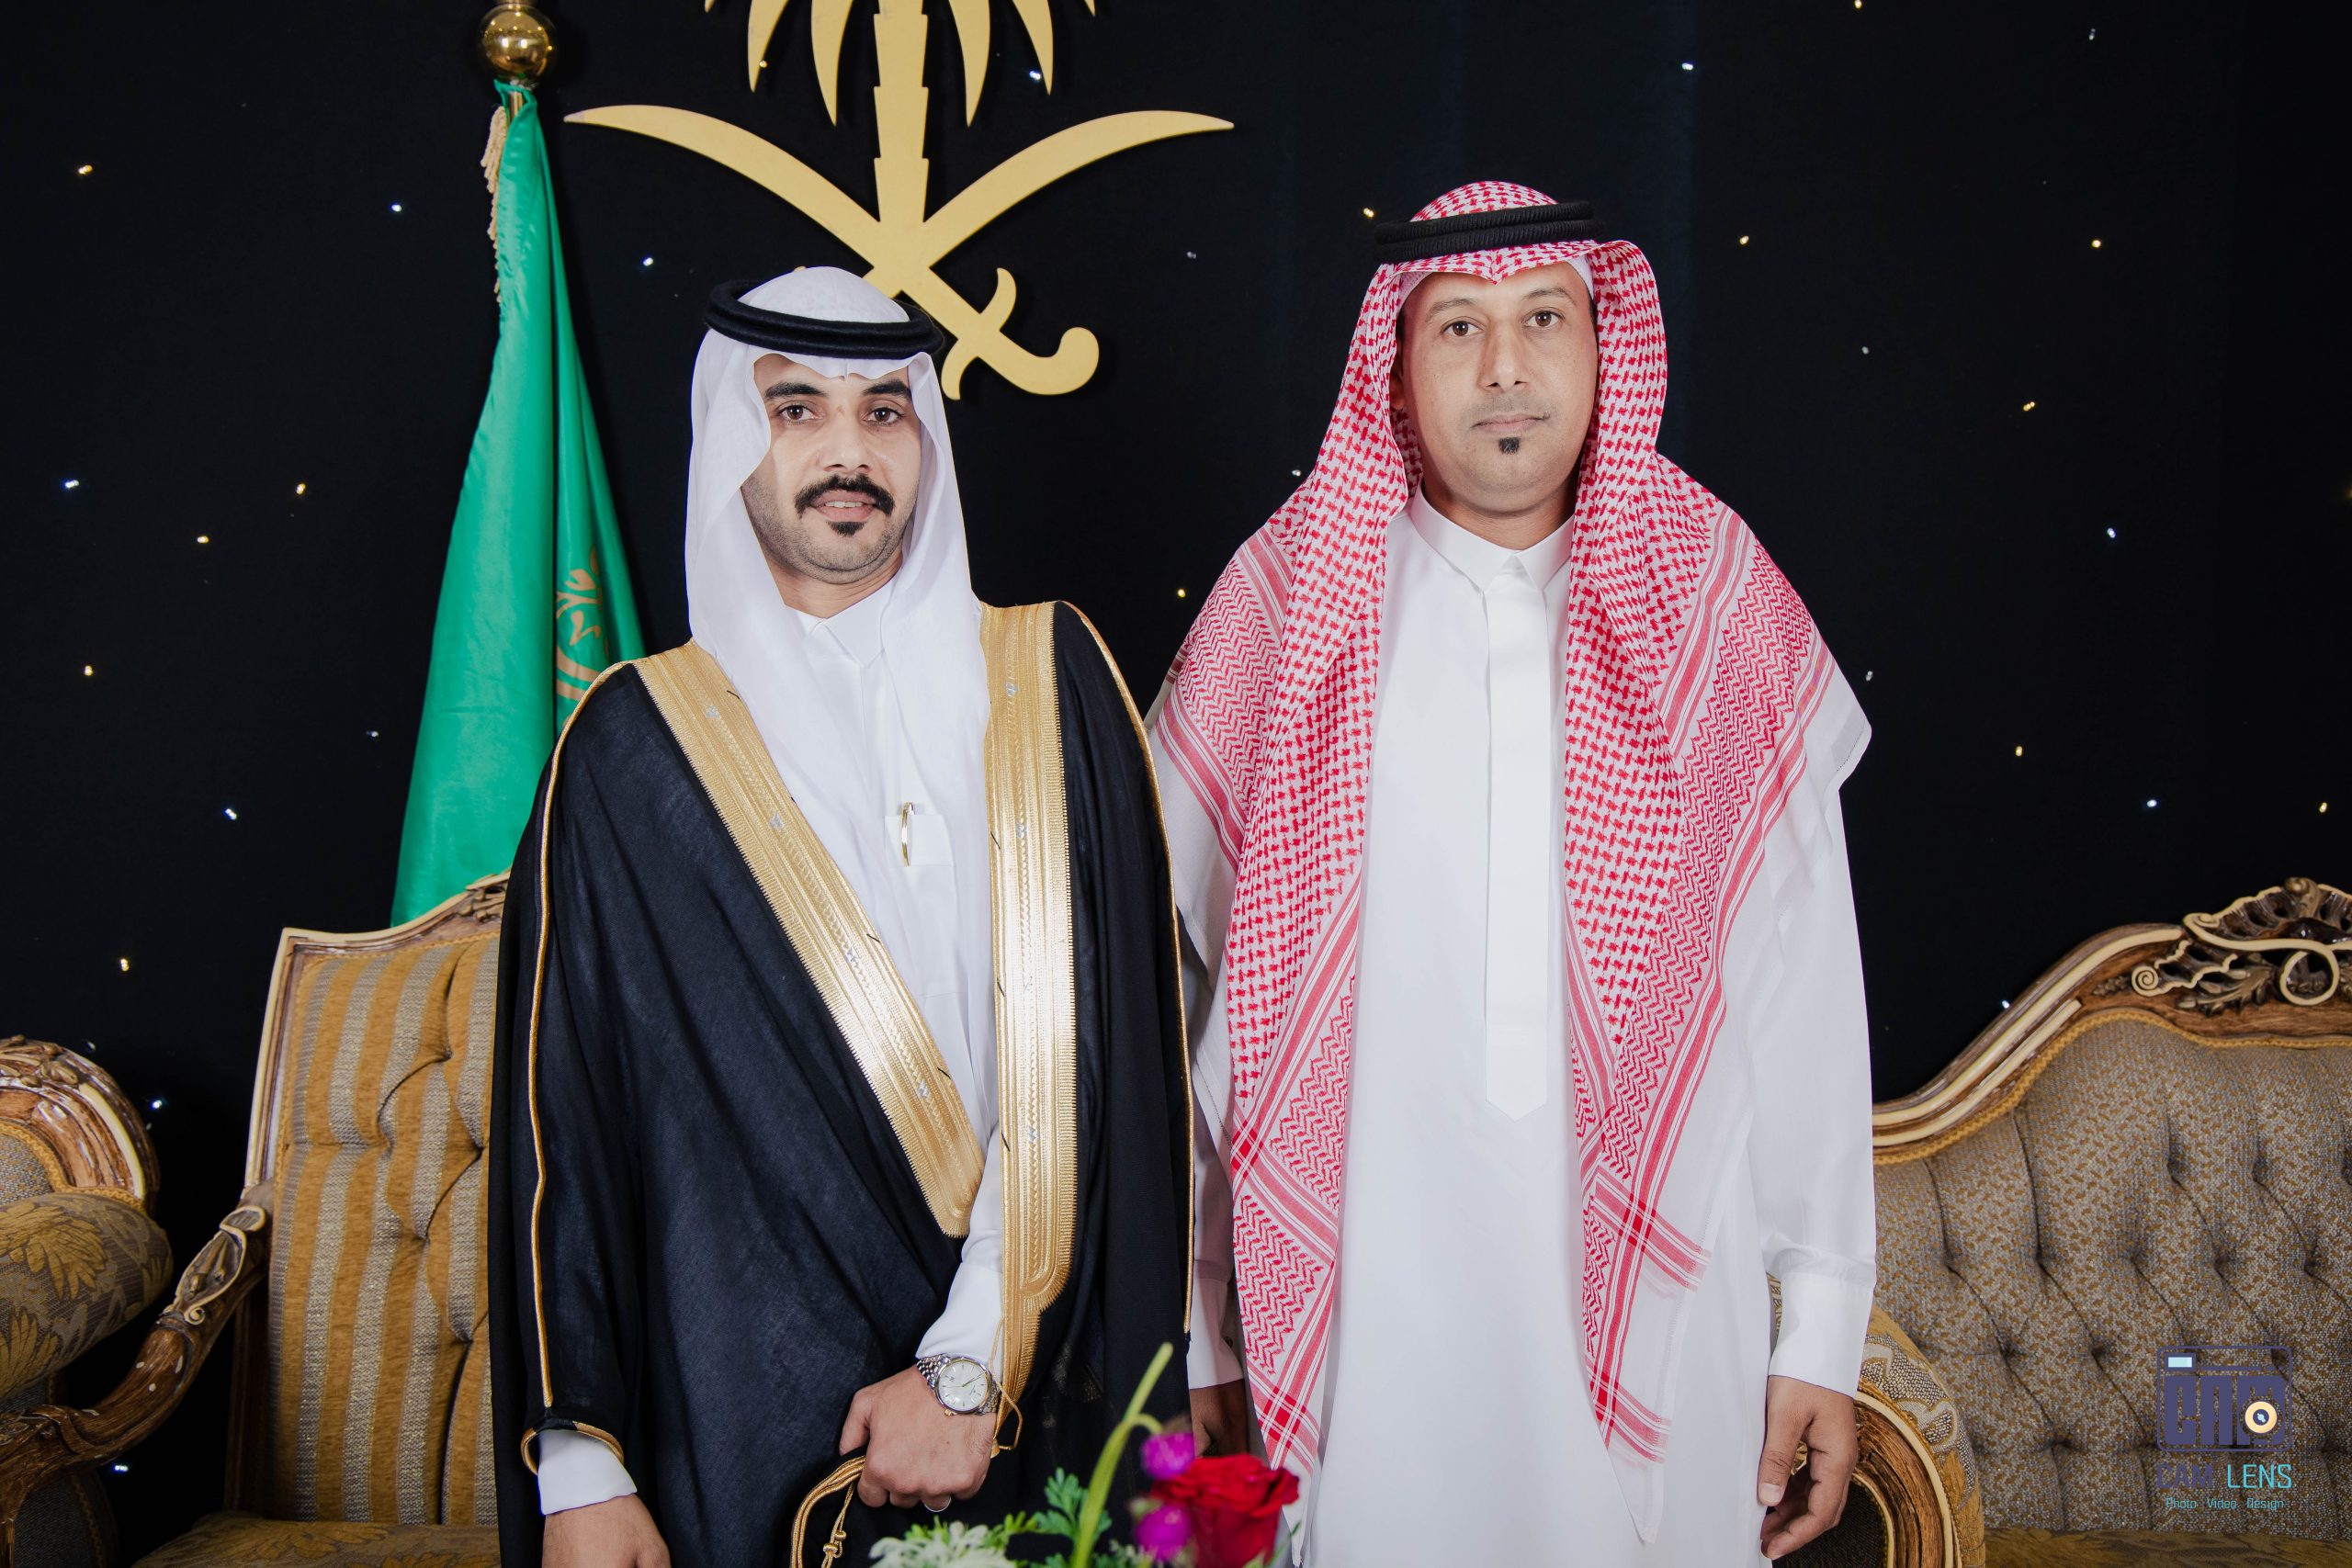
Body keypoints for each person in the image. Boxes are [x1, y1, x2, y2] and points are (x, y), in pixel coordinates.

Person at [1154, 183, 1877, 1563]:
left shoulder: (1714, 598)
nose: (1504, 367)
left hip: (1670, 1303)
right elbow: (1173, 994)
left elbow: (1807, 986)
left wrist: (1826, 1320)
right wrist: (1203, 1322)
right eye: (1458, 326)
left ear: (1606, 351)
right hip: (1370, 1309)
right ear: (1394, 368)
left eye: (1545, 319)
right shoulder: (1285, 606)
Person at [487, 267, 1193, 1568]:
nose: (848, 451)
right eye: (797, 408)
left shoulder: (1052, 682)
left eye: (884, 410)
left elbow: (1111, 1066)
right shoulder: (632, 750)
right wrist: (580, 1472)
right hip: (743, 1422)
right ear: (730, 438)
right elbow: (567, 1127)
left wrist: (969, 1364)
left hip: (1031, 1383)